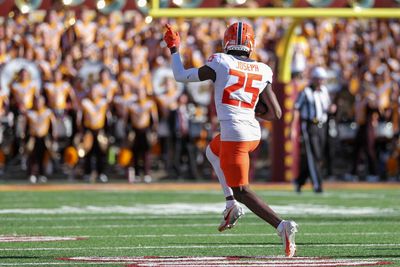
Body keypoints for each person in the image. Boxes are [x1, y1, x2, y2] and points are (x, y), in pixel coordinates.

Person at [164, 22, 298, 257]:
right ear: (250, 44)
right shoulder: (263, 69)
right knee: (212, 151)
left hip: (235, 135)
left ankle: (281, 225)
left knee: (242, 190)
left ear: (227, 42)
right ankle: (230, 205)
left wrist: (174, 48)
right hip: (252, 134)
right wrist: (249, 108)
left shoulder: (220, 61)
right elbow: (275, 113)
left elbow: (180, 75)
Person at [292, 67, 331, 193]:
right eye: (318, 79)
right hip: (309, 125)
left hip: (322, 125)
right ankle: (317, 185)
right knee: (313, 154)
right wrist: (293, 127)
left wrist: (332, 109)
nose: (320, 82)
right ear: (313, 79)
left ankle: (299, 181)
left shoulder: (325, 91)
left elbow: (327, 106)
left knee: (318, 155)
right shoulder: (306, 92)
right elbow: (296, 108)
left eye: (322, 79)